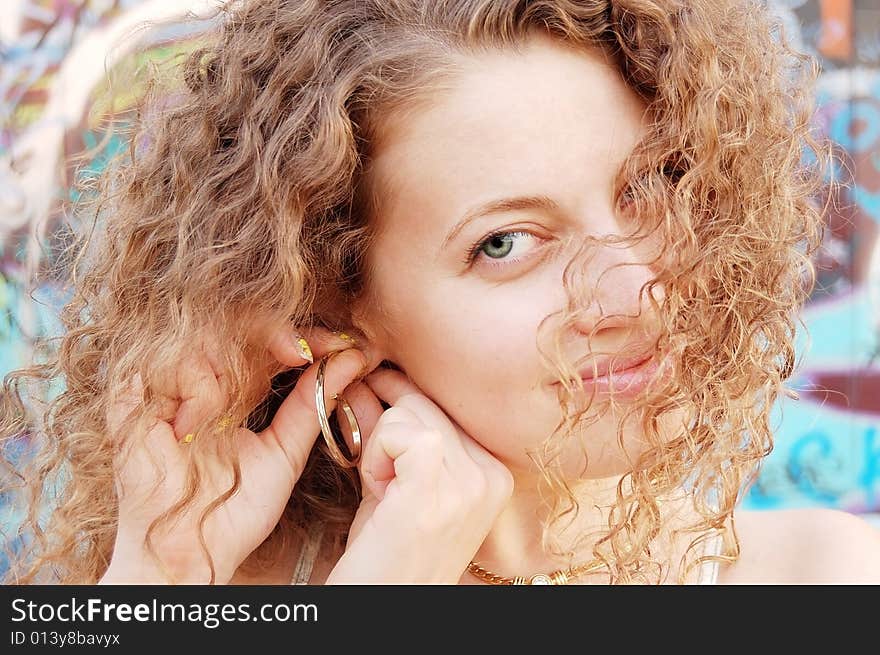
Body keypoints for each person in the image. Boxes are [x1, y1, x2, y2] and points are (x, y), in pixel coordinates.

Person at [2, 0, 879, 586]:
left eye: (651, 187)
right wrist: (161, 576)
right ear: (339, 310)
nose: (635, 289)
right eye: (504, 242)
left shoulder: (828, 577)